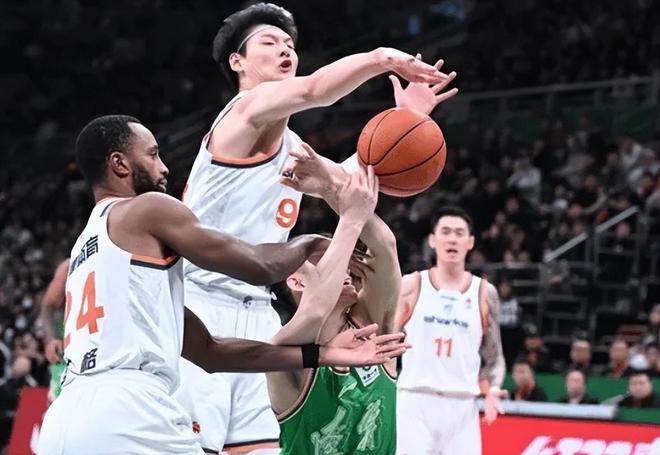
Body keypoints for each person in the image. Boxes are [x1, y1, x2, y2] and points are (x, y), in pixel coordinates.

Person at [37, 115, 407, 455]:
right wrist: (309, 242)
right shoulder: (146, 209)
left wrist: (321, 355)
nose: (164, 167)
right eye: (152, 154)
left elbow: (211, 353)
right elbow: (259, 267)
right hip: (128, 408)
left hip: (65, 417)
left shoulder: (89, 251)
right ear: (120, 164)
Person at [179, 3, 458, 451]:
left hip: (259, 315)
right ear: (237, 61)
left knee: (262, 448)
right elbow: (315, 90)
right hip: (200, 303)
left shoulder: (293, 148)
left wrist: (410, 120)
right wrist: (382, 58)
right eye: (269, 42)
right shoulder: (242, 112)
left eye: (290, 44)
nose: (285, 50)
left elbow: (357, 181)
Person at [265, 146, 400, 454]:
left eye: (345, 256)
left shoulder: (371, 327)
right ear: (296, 280)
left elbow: (385, 247)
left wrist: (329, 186)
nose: (346, 265)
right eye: (330, 260)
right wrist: (350, 216)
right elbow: (315, 312)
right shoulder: (284, 351)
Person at [394, 206, 506, 455]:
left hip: (463, 405)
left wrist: (493, 389)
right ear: (432, 240)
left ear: (471, 242)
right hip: (414, 400)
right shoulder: (411, 285)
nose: (452, 238)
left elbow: (494, 357)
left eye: (459, 233)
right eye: (445, 232)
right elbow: (386, 343)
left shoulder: (484, 293)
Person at [39, 257, 70, 402]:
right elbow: (48, 304)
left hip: (108, 346)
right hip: (69, 345)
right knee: (59, 403)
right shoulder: (70, 265)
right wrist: (50, 339)